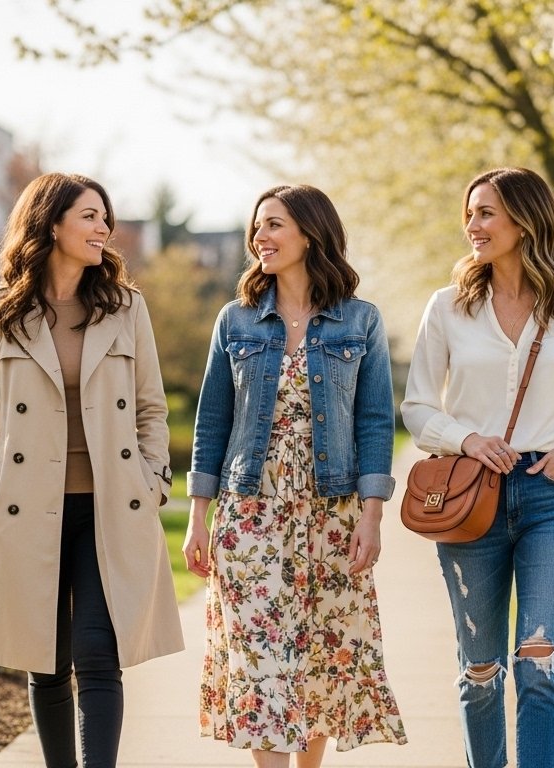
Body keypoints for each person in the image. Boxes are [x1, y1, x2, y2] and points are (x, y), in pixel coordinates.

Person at [0, 172, 183, 768]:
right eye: (89, 216)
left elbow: (151, 407)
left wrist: (153, 476)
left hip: (110, 503)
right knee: (47, 658)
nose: (103, 228)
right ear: (50, 223)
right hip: (27, 503)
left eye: (105, 217)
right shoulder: (0, 309)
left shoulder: (125, 307)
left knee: (97, 653)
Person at [183, 184, 407, 767]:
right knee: (260, 658)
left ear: (311, 233)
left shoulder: (360, 321)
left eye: (275, 224)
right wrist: (197, 517)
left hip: (331, 514)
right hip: (250, 511)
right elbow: (212, 421)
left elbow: (376, 422)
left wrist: (372, 516)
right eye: (257, 226)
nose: (261, 237)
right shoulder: (235, 321)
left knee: (318, 659)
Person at [401, 167, 554, 768]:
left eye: (486, 212)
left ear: (525, 219)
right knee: (481, 669)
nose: (473, 225)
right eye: (469, 213)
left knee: (539, 662)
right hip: (472, 503)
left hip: (553, 499)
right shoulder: (448, 308)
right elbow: (416, 405)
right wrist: (466, 440)